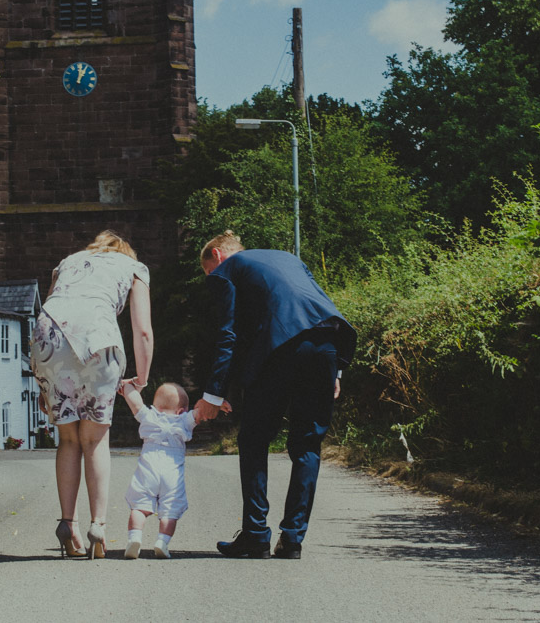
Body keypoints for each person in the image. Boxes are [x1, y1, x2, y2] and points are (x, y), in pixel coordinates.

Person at [193, 231, 356, 559]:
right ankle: (292, 538)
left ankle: (255, 534)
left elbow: (230, 332)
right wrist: (335, 368)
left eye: (208, 271)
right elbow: (320, 305)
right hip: (327, 345)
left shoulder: (229, 269)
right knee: (307, 445)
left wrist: (212, 395)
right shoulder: (289, 259)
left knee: (253, 440)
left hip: (282, 349)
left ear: (218, 256)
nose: (211, 279)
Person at [32, 230, 153, 559]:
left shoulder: (67, 264)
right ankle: (97, 525)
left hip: (48, 339)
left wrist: (42, 383)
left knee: (69, 440)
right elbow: (142, 329)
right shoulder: (133, 267)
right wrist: (140, 378)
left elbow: (51, 313)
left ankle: (67, 524)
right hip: (98, 338)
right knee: (95, 440)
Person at [117, 380, 197, 559]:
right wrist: (217, 403)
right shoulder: (184, 420)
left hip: (148, 471)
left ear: (156, 406)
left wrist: (126, 386)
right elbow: (199, 414)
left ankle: (134, 538)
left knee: (139, 507)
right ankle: (162, 542)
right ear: (182, 410)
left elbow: (135, 402)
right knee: (170, 511)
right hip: (172, 474)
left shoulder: (149, 416)